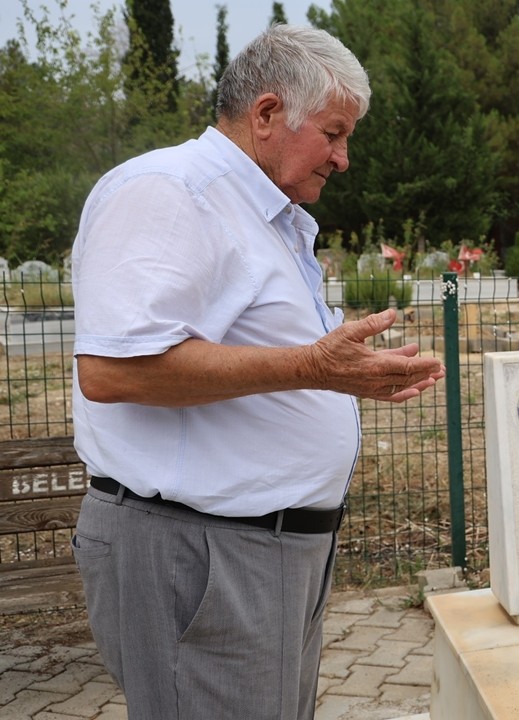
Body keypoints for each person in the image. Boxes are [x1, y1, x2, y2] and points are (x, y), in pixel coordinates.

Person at [68, 25, 446, 720]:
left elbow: (257, 355)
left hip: (256, 550)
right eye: (334, 133)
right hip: (198, 550)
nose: (345, 157)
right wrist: (314, 367)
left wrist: (342, 371)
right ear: (267, 114)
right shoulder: (171, 191)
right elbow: (115, 371)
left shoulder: (267, 216)